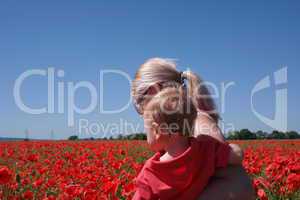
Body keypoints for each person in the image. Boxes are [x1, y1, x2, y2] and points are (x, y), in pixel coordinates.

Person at [131, 58, 255, 199]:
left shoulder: (198, 123)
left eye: (138, 103)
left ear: (154, 91)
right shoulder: (180, 131)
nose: (141, 112)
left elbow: (240, 184)